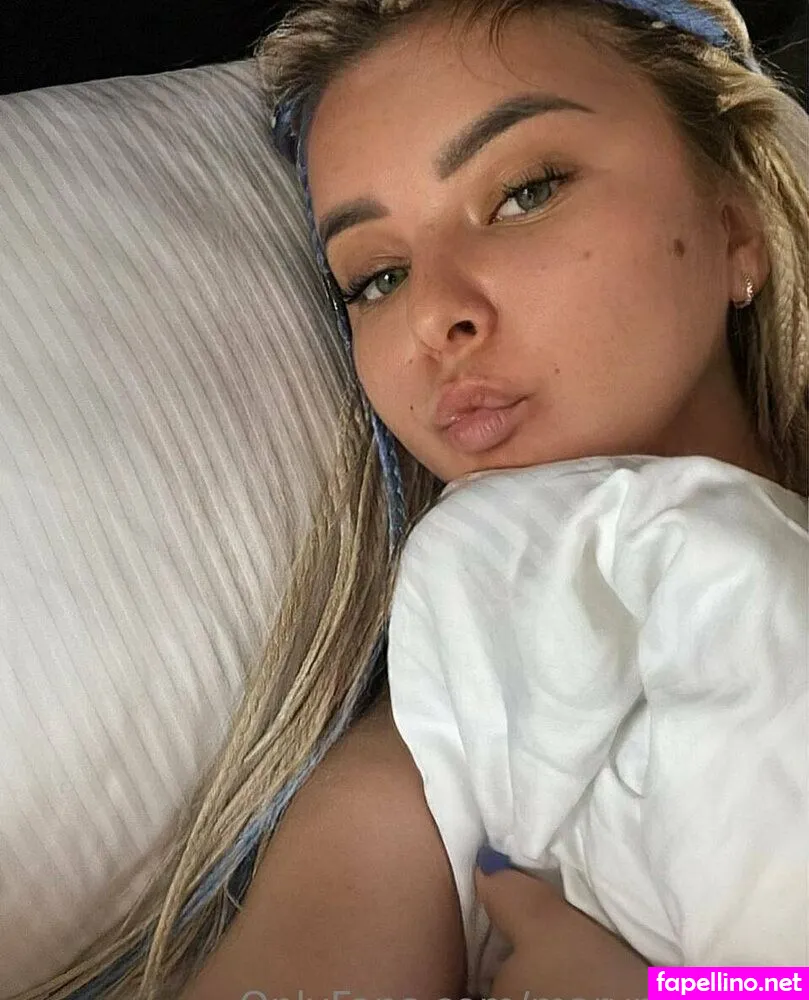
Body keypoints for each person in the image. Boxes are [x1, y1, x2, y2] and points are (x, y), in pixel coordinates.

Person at [27, 1, 807, 998]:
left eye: (524, 193)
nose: (433, 313)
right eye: (377, 276)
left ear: (734, 222)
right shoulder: (431, 763)